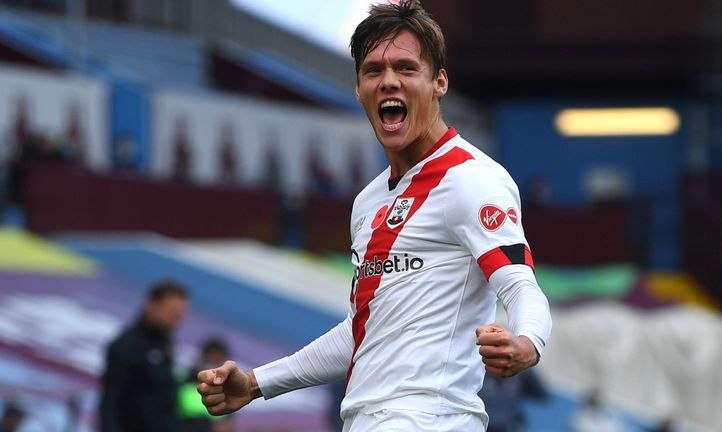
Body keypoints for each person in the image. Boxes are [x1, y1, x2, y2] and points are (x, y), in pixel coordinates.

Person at [197, 2, 552, 431]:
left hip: (429, 419)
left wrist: (527, 343)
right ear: (358, 88)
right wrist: (255, 384)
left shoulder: (472, 180)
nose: (388, 82)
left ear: (438, 82)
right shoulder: (368, 202)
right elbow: (360, 332)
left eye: (405, 68)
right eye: (373, 70)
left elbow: (519, 285)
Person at [100, 280, 189, 432]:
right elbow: (110, 403)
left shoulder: (164, 341)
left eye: (179, 315)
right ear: (152, 305)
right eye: (171, 312)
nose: (176, 320)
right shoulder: (126, 346)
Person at [479, 369, 549, 432]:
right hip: (480, 426)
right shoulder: (476, 370)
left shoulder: (521, 371)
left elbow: (542, 394)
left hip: (511, 427)